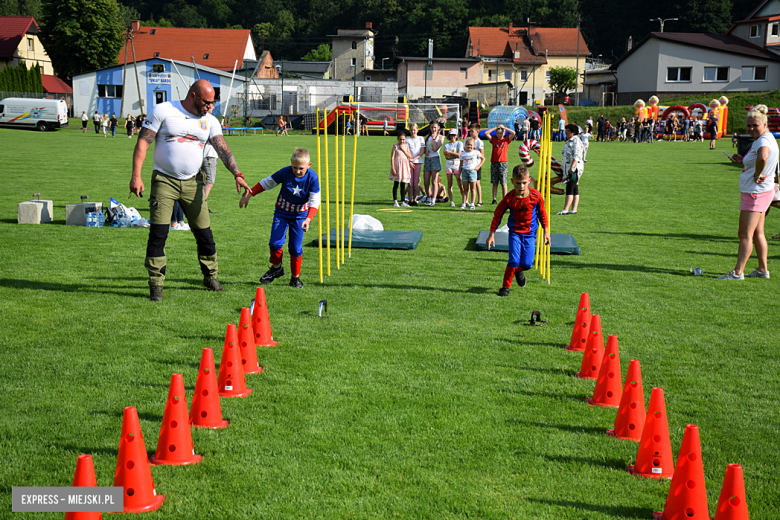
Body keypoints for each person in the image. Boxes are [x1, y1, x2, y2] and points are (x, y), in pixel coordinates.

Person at [129, 79, 250, 301]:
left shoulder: (210, 121)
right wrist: (136, 176)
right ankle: (156, 283)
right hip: (164, 181)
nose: (210, 107)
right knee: (158, 233)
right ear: (193, 96)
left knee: (205, 234)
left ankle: (210, 276)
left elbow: (223, 149)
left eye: (213, 103)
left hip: (194, 183)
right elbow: (142, 143)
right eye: (207, 102)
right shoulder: (164, 110)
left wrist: (238, 175)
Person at [239, 147, 321, 289]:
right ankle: (277, 268)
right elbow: (266, 183)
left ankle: (295, 278)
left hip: (300, 216)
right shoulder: (285, 172)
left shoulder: (312, 178)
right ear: (291, 163)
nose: (298, 171)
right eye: (295, 167)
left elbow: (315, 201)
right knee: (275, 244)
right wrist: (249, 195)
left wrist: (308, 219)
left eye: (301, 168)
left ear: (309, 165)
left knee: (295, 248)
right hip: (282, 213)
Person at [718, 105, 779, 280]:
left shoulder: (763, 141)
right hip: (762, 191)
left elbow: (763, 156)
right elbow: (759, 158)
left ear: (764, 123)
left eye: (755, 125)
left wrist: (757, 173)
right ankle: (762, 269)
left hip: (755, 193)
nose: (751, 129)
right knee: (758, 232)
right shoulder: (768, 137)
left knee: (745, 234)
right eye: (749, 126)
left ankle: (737, 273)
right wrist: (743, 162)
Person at [486, 165, 550, 297]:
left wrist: (546, 232)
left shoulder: (535, 196)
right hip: (514, 233)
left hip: (530, 234)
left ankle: (518, 271)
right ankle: (505, 287)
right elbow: (498, 214)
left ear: (529, 181)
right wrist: (491, 234)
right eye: (518, 183)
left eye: (524, 183)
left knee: (527, 264)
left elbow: (542, 214)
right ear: (512, 182)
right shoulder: (509, 198)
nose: (521, 186)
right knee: (514, 261)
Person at [558, 123, 584, 215]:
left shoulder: (576, 141)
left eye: (567, 131)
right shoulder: (569, 141)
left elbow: (577, 155)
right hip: (569, 167)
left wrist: (572, 167)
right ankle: (574, 209)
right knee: (575, 188)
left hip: (574, 168)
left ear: (573, 132)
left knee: (570, 188)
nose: (565, 132)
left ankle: (565, 209)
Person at [486, 124, 515, 204]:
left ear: (504, 133)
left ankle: (504, 199)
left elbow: (513, 133)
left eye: (501, 133)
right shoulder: (494, 140)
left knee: (503, 183)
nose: (499, 135)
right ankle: (494, 199)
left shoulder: (506, 140)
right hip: (494, 162)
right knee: (495, 182)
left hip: (503, 163)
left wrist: (504, 128)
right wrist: (496, 127)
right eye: (498, 133)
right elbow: (486, 133)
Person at [458, 137, 484, 209]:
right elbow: (460, 164)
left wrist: (478, 166)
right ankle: (464, 203)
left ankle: (472, 203)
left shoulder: (476, 152)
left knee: (473, 189)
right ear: (465, 145)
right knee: (465, 189)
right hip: (464, 171)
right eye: (468, 145)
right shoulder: (462, 154)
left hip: (472, 171)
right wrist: (459, 173)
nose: (469, 146)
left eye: (471, 145)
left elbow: (483, 158)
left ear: (474, 146)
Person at [423, 121, 443, 206]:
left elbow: (435, 148)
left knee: (434, 181)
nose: (433, 129)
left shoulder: (441, 137)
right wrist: (425, 151)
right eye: (431, 127)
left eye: (435, 127)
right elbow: (423, 148)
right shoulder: (427, 136)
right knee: (426, 181)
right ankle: (429, 197)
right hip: (427, 159)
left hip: (435, 158)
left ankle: (433, 200)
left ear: (438, 127)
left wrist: (434, 138)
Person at [389, 132, 412, 207]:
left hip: (404, 167)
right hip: (397, 166)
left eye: (403, 139)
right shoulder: (395, 146)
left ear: (405, 139)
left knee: (403, 184)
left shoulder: (406, 146)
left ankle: (403, 201)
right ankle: (395, 201)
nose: (402, 141)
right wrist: (393, 168)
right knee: (396, 184)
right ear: (397, 139)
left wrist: (403, 149)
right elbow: (392, 157)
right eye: (400, 139)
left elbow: (409, 156)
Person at [442, 129, 464, 207]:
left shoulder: (459, 143)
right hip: (449, 164)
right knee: (449, 183)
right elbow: (447, 157)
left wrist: (449, 153)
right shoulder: (446, 145)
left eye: (454, 135)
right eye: (451, 135)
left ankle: (464, 200)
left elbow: (458, 155)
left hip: (457, 164)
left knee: (460, 182)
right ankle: (451, 201)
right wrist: (451, 154)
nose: (452, 137)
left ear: (456, 136)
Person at [406, 123, 425, 206]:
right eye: (411, 130)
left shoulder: (421, 138)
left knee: (416, 182)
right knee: (410, 182)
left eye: (414, 130)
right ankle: (409, 200)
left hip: (418, 162)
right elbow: (406, 151)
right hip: (409, 162)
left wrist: (414, 159)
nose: (413, 131)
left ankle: (415, 200)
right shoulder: (407, 139)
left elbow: (422, 151)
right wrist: (410, 160)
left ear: (417, 130)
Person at [468, 123, 485, 206]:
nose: (471, 133)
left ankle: (480, 200)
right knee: (468, 183)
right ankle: (467, 201)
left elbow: (482, 156)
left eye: (472, 131)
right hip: (468, 165)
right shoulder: (468, 140)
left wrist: (479, 166)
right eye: (470, 131)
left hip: (476, 166)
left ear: (477, 131)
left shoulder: (479, 142)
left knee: (477, 183)